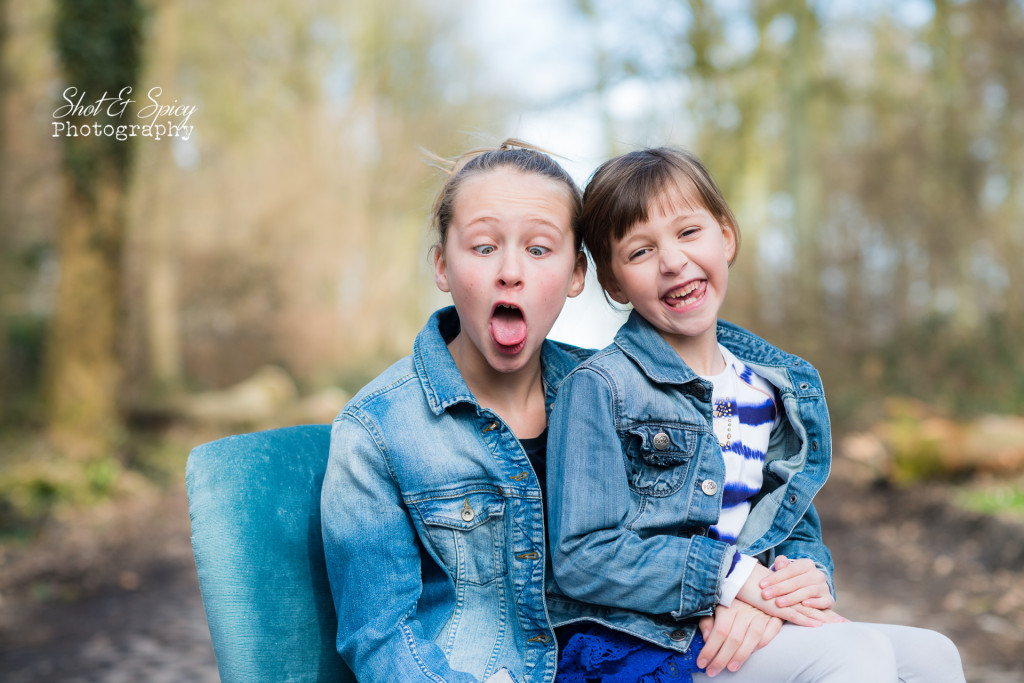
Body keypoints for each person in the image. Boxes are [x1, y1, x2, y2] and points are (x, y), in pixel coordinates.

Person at [545, 147, 966, 682]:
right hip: (649, 635)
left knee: (934, 655)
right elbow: (583, 554)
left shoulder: (771, 388)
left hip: (742, 615)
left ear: (727, 236)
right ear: (613, 283)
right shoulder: (600, 389)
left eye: (689, 232)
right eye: (641, 251)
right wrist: (731, 579)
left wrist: (806, 576)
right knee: (853, 656)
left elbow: (789, 527)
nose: (673, 261)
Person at [321, 139, 589, 682]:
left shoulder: (614, 392)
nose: (510, 272)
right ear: (442, 265)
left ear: (577, 274)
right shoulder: (375, 431)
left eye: (539, 249)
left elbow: (730, 515)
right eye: (484, 247)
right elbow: (379, 635)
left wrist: (767, 584)